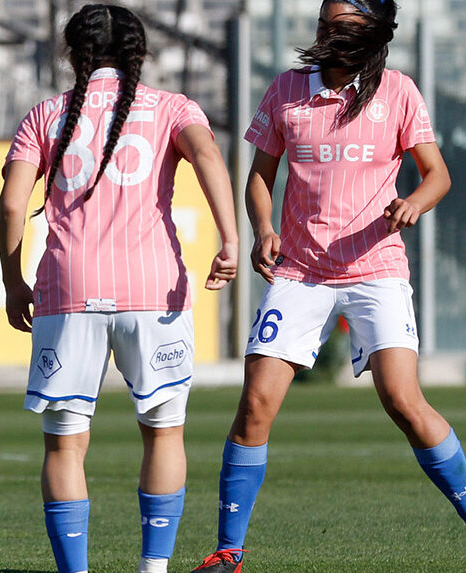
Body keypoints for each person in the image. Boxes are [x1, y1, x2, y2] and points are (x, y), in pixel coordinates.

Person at [190, 2, 462, 572]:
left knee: (404, 402)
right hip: (301, 273)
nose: (326, 32)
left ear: (370, 31)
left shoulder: (398, 91)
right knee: (256, 404)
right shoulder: (287, 89)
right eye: (322, 22)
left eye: (340, 23)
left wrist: (413, 201)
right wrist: (263, 228)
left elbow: (437, 174)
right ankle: (228, 552)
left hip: (376, 268)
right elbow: (260, 177)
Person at [0, 4, 239, 573]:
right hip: (153, 288)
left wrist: (13, 281)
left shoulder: (46, 115)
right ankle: (153, 568)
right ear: (140, 52)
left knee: (65, 445)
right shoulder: (172, 108)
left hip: (69, 290)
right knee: (162, 432)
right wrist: (229, 237)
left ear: (71, 53)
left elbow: (11, 203)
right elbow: (207, 154)